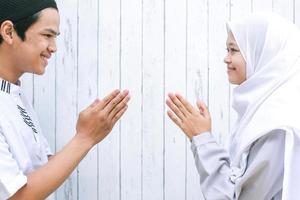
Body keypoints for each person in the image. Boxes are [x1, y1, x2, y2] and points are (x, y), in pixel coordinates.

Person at [0, 0, 130, 199]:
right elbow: (15, 196)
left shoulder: (15, 95)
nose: (54, 48)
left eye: (55, 37)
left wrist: (88, 130)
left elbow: (42, 168)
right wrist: (84, 138)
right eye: (47, 35)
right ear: (9, 32)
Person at [166, 13, 300, 199]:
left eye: (233, 50)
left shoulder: (277, 128)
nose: (226, 58)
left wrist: (202, 139)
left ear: (262, 55)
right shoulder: (261, 115)